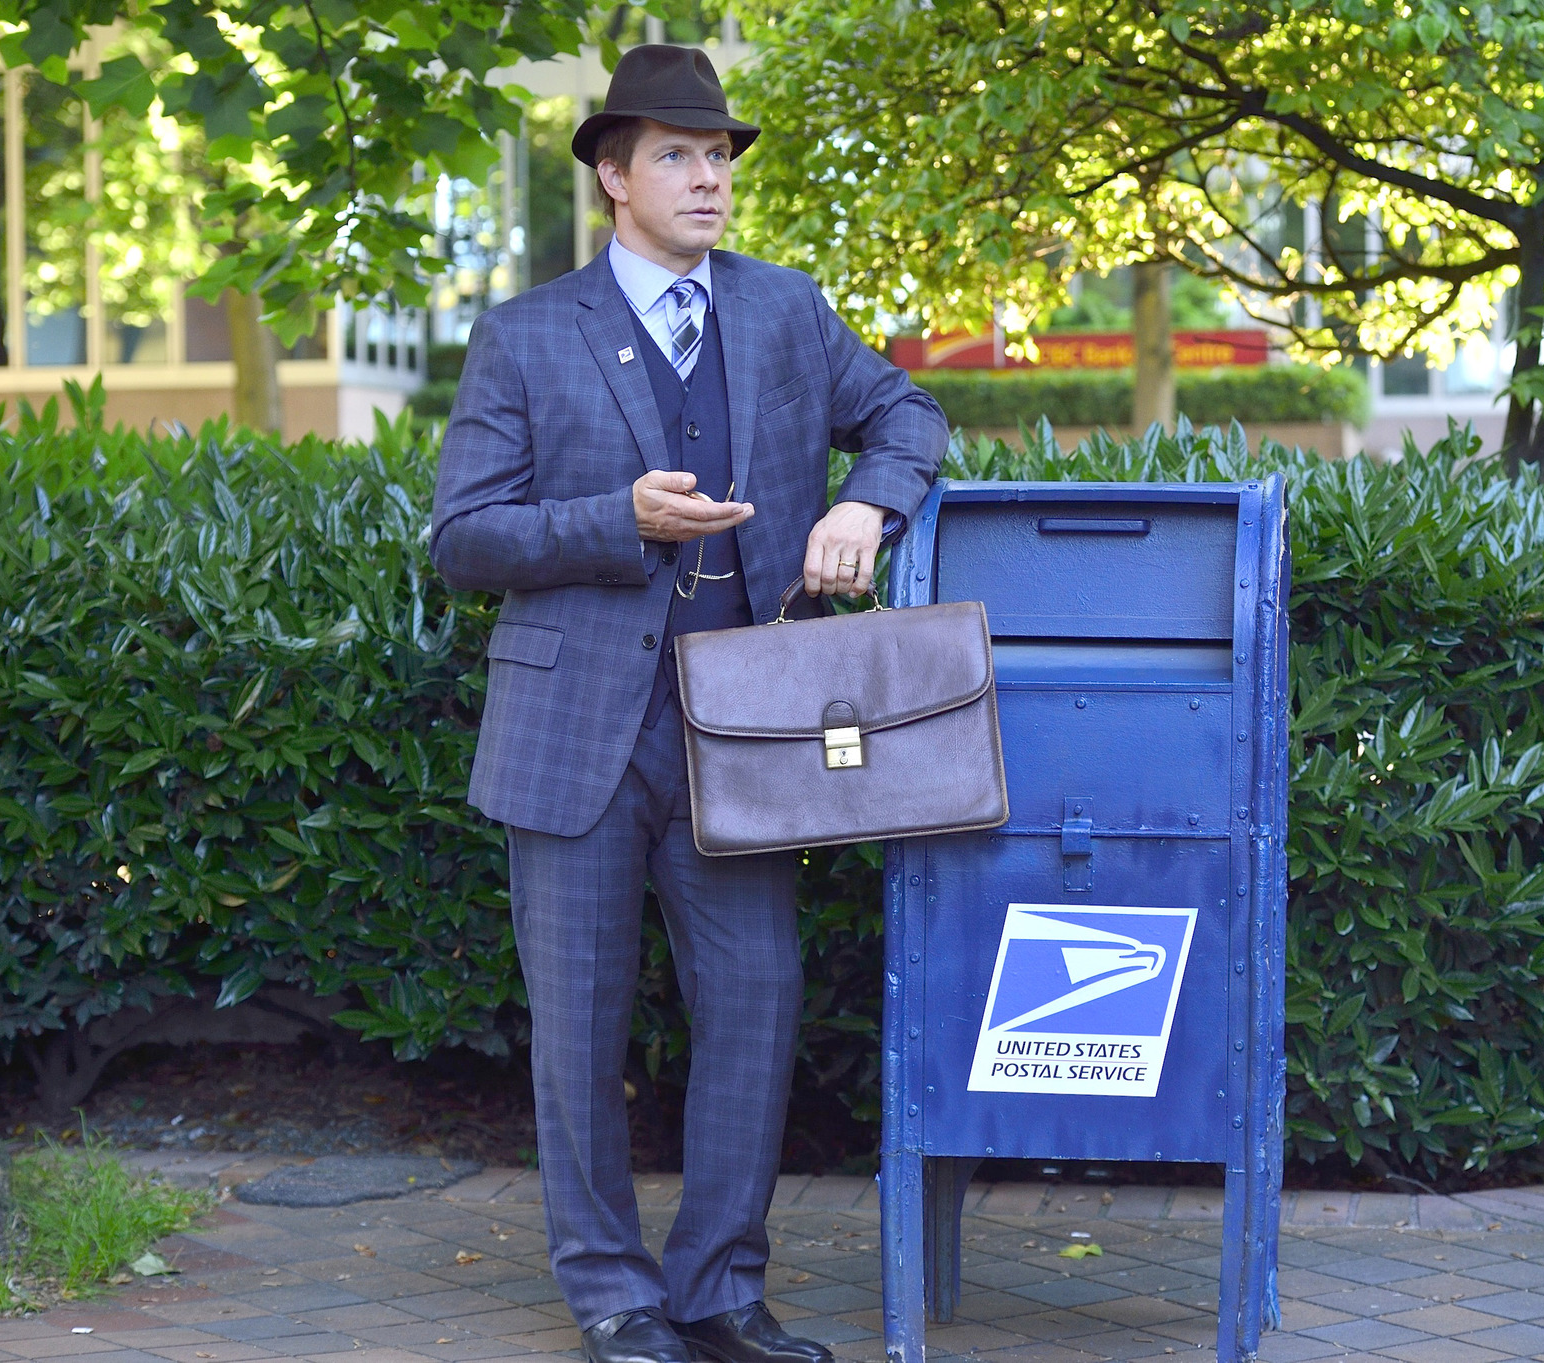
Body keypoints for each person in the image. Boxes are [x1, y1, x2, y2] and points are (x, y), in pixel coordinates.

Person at [429, 42, 948, 1363]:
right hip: (574, 735)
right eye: (677, 154)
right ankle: (611, 1294)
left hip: (747, 730)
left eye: (718, 156)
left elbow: (908, 415)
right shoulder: (527, 332)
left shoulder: (781, 310)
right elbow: (465, 539)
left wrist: (863, 501)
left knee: (756, 1004)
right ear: (612, 173)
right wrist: (620, 520)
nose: (709, 178)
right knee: (578, 1033)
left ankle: (718, 1289)